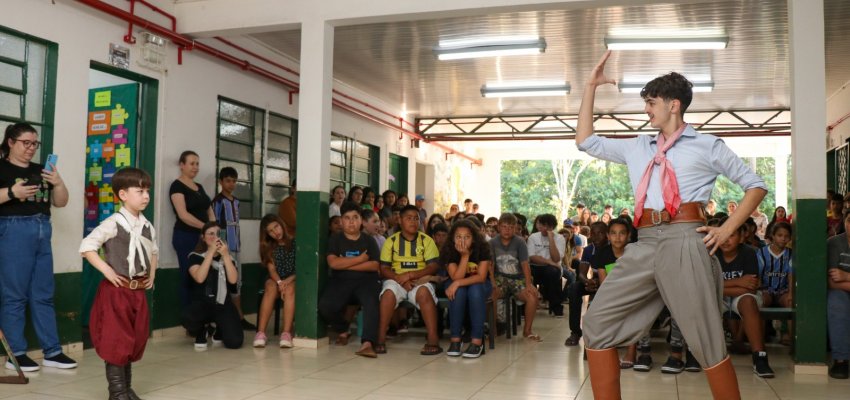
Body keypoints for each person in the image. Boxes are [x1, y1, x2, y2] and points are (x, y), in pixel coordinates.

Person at [575, 51, 767, 399]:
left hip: (686, 239)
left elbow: (756, 185)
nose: (646, 110)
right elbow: (585, 141)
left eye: (651, 102)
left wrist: (726, 229)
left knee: (705, 337)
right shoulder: (638, 146)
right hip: (644, 240)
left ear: (673, 105)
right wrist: (590, 87)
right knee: (597, 323)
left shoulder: (707, 145)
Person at [0, 123, 77, 372]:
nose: (31, 148)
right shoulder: (1, 167)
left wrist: (58, 182)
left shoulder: (43, 170)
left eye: (35, 144)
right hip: (13, 229)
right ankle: (16, 354)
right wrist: (12, 192)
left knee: (43, 293)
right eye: (26, 143)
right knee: (15, 295)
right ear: (11, 142)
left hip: (43, 228)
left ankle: (52, 351)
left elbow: (61, 202)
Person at [79, 167, 156, 399]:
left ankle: (126, 388)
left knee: (132, 340)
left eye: (147, 191)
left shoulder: (146, 225)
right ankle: (116, 392)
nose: (145, 196)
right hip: (116, 293)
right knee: (116, 341)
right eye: (140, 191)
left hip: (137, 292)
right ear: (123, 194)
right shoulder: (113, 222)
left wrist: (152, 273)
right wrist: (106, 269)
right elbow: (87, 247)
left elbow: (153, 250)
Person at [376, 205, 441, 355]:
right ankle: (380, 338)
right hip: (396, 279)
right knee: (388, 294)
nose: (413, 221)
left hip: (419, 280)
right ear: (400, 220)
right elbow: (384, 269)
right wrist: (400, 279)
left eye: (416, 218)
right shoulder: (390, 241)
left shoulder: (427, 240)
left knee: (424, 292)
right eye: (409, 218)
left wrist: (411, 275)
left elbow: (433, 267)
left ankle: (433, 339)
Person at [319, 201, 381, 358]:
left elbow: (374, 266)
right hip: (341, 281)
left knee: (372, 303)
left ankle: (367, 343)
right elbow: (333, 263)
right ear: (341, 220)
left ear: (361, 220)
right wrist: (361, 259)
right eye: (347, 218)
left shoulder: (369, 240)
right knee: (325, 306)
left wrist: (344, 263)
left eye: (355, 217)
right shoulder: (335, 239)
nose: (351, 221)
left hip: (366, 281)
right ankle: (343, 329)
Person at [715, 218, 774, 378]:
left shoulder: (748, 252)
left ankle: (759, 357)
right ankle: (697, 354)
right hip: (718, 297)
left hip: (741, 297)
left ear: (742, 237)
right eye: (722, 235)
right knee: (701, 301)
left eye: (731, 235)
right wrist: (737, 282)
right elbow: (704, 286)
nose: (726, 240)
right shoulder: (712, 253)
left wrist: (719, 286)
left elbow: (751, 287)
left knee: (748, 302)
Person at [182, 222, 244, 350]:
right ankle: (202, 330)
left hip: (223, 304)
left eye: (218, 234)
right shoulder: (195, 257)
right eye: (210, 234)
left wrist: (225, 255)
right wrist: (210, 253)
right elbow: (199, 278)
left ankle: (219, 329)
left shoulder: (229, 258)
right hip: (202, 303)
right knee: (188, 318)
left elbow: (233, 280)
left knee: (235, 342)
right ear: (203, 237)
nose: (215, 237)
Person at [211, 166, 255, 330]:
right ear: (221, 182)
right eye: (228, 181)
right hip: (224, 248)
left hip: (236, 246)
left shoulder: (236, 201)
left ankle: (238, 317)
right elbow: (214, 224)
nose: (231, 184)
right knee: (224, 282)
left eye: (234, 181)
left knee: (237, 281)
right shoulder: (217, 201)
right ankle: (230, 318)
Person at [170, 150, 215, 308]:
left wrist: (213, 230)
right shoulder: (177, 186)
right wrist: (206, 228)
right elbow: (183, 215)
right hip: (185, 237)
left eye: (197, 164)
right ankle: (189, 319)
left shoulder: (200, 187)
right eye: (192, 164)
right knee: (188, 276)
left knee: (205, 275)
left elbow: (209, 210)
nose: (195, 167)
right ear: (182, 165)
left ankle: (203, 317)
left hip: (203, 238)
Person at [442, 219, 493, 358]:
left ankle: (477, 341)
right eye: (458, 237)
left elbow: (481, 277)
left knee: (475, 290)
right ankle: (455, 340)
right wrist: (465, 257)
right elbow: (455, 277)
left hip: (480, 284)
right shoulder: (448, 250)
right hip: (456, 283)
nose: (462, 240)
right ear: (453, 238)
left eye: (467, 237)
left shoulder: (483, 248)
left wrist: (458, 283)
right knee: (459, 292)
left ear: (474, 239)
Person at [490, 213, 540, 341]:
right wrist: (493, 283)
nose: (507, 230)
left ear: (515, 228)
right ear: (499, 227)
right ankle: (493, 330)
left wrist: (528, 285)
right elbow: (490, 265)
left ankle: (527, 330)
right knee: (491, 294)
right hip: (500, 278)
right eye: (504, 226)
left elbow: (525, 265)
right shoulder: (492, 242)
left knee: (532, 296)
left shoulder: (520, 242)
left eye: (511, 227)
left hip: (518, 279)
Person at [253, 214, 296, 348]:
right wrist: (279, 282)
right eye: (270, 231)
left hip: (293, 278)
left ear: (281, 224)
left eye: (276, 227)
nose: (275, 232)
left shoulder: (295, 241)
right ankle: (261, 333)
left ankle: (286, 333)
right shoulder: (269, 246)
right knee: (270, 287)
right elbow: (272, 270)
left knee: (289, 289)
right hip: (276, 279)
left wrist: (287, 281)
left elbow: (300, 269)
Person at [565, 221, 608, 347]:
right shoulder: (589, 250)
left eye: (600, 233)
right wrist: (587, 281)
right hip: (594, 281)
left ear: (607, 234)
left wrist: (599, 282)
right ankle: (575, 332)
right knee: (574, 288)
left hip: (610, 282)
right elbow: (582, 274)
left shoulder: (612, 248)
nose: (597, 236)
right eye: (593, 233)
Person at [757, 222, 794, 345]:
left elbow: (791, 275)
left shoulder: (790, 254)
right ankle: (760, 341)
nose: (783, 238)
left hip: (783, 291)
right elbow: (758, 276)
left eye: (786, 236)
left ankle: (790, 338)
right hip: (766, 290)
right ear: (772, 236)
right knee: (761, 302)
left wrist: (790, 294)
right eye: (779, 235)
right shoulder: (762, 253)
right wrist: (760, 291)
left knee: (790, 302)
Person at [526, 214, 566, 317]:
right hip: (535, 266)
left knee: (552, 272)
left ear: (553, 227)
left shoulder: (560, 238)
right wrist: (549, 262)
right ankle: (528, 306)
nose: (545, 228)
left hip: (552, 269)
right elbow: (532, 257)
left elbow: (556, 258)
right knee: (527, 271)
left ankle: (556, 307)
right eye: (543, 225)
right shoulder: (533, 237)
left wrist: (551, 239)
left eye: (548, 226)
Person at [827, 211, 850, 379]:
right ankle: (841, 360)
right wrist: (841, 279)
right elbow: (833, 282)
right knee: (837, 301)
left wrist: (847, 276)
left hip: (846, 285)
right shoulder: (834, 243)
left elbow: (841, 278)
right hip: (840, 292)